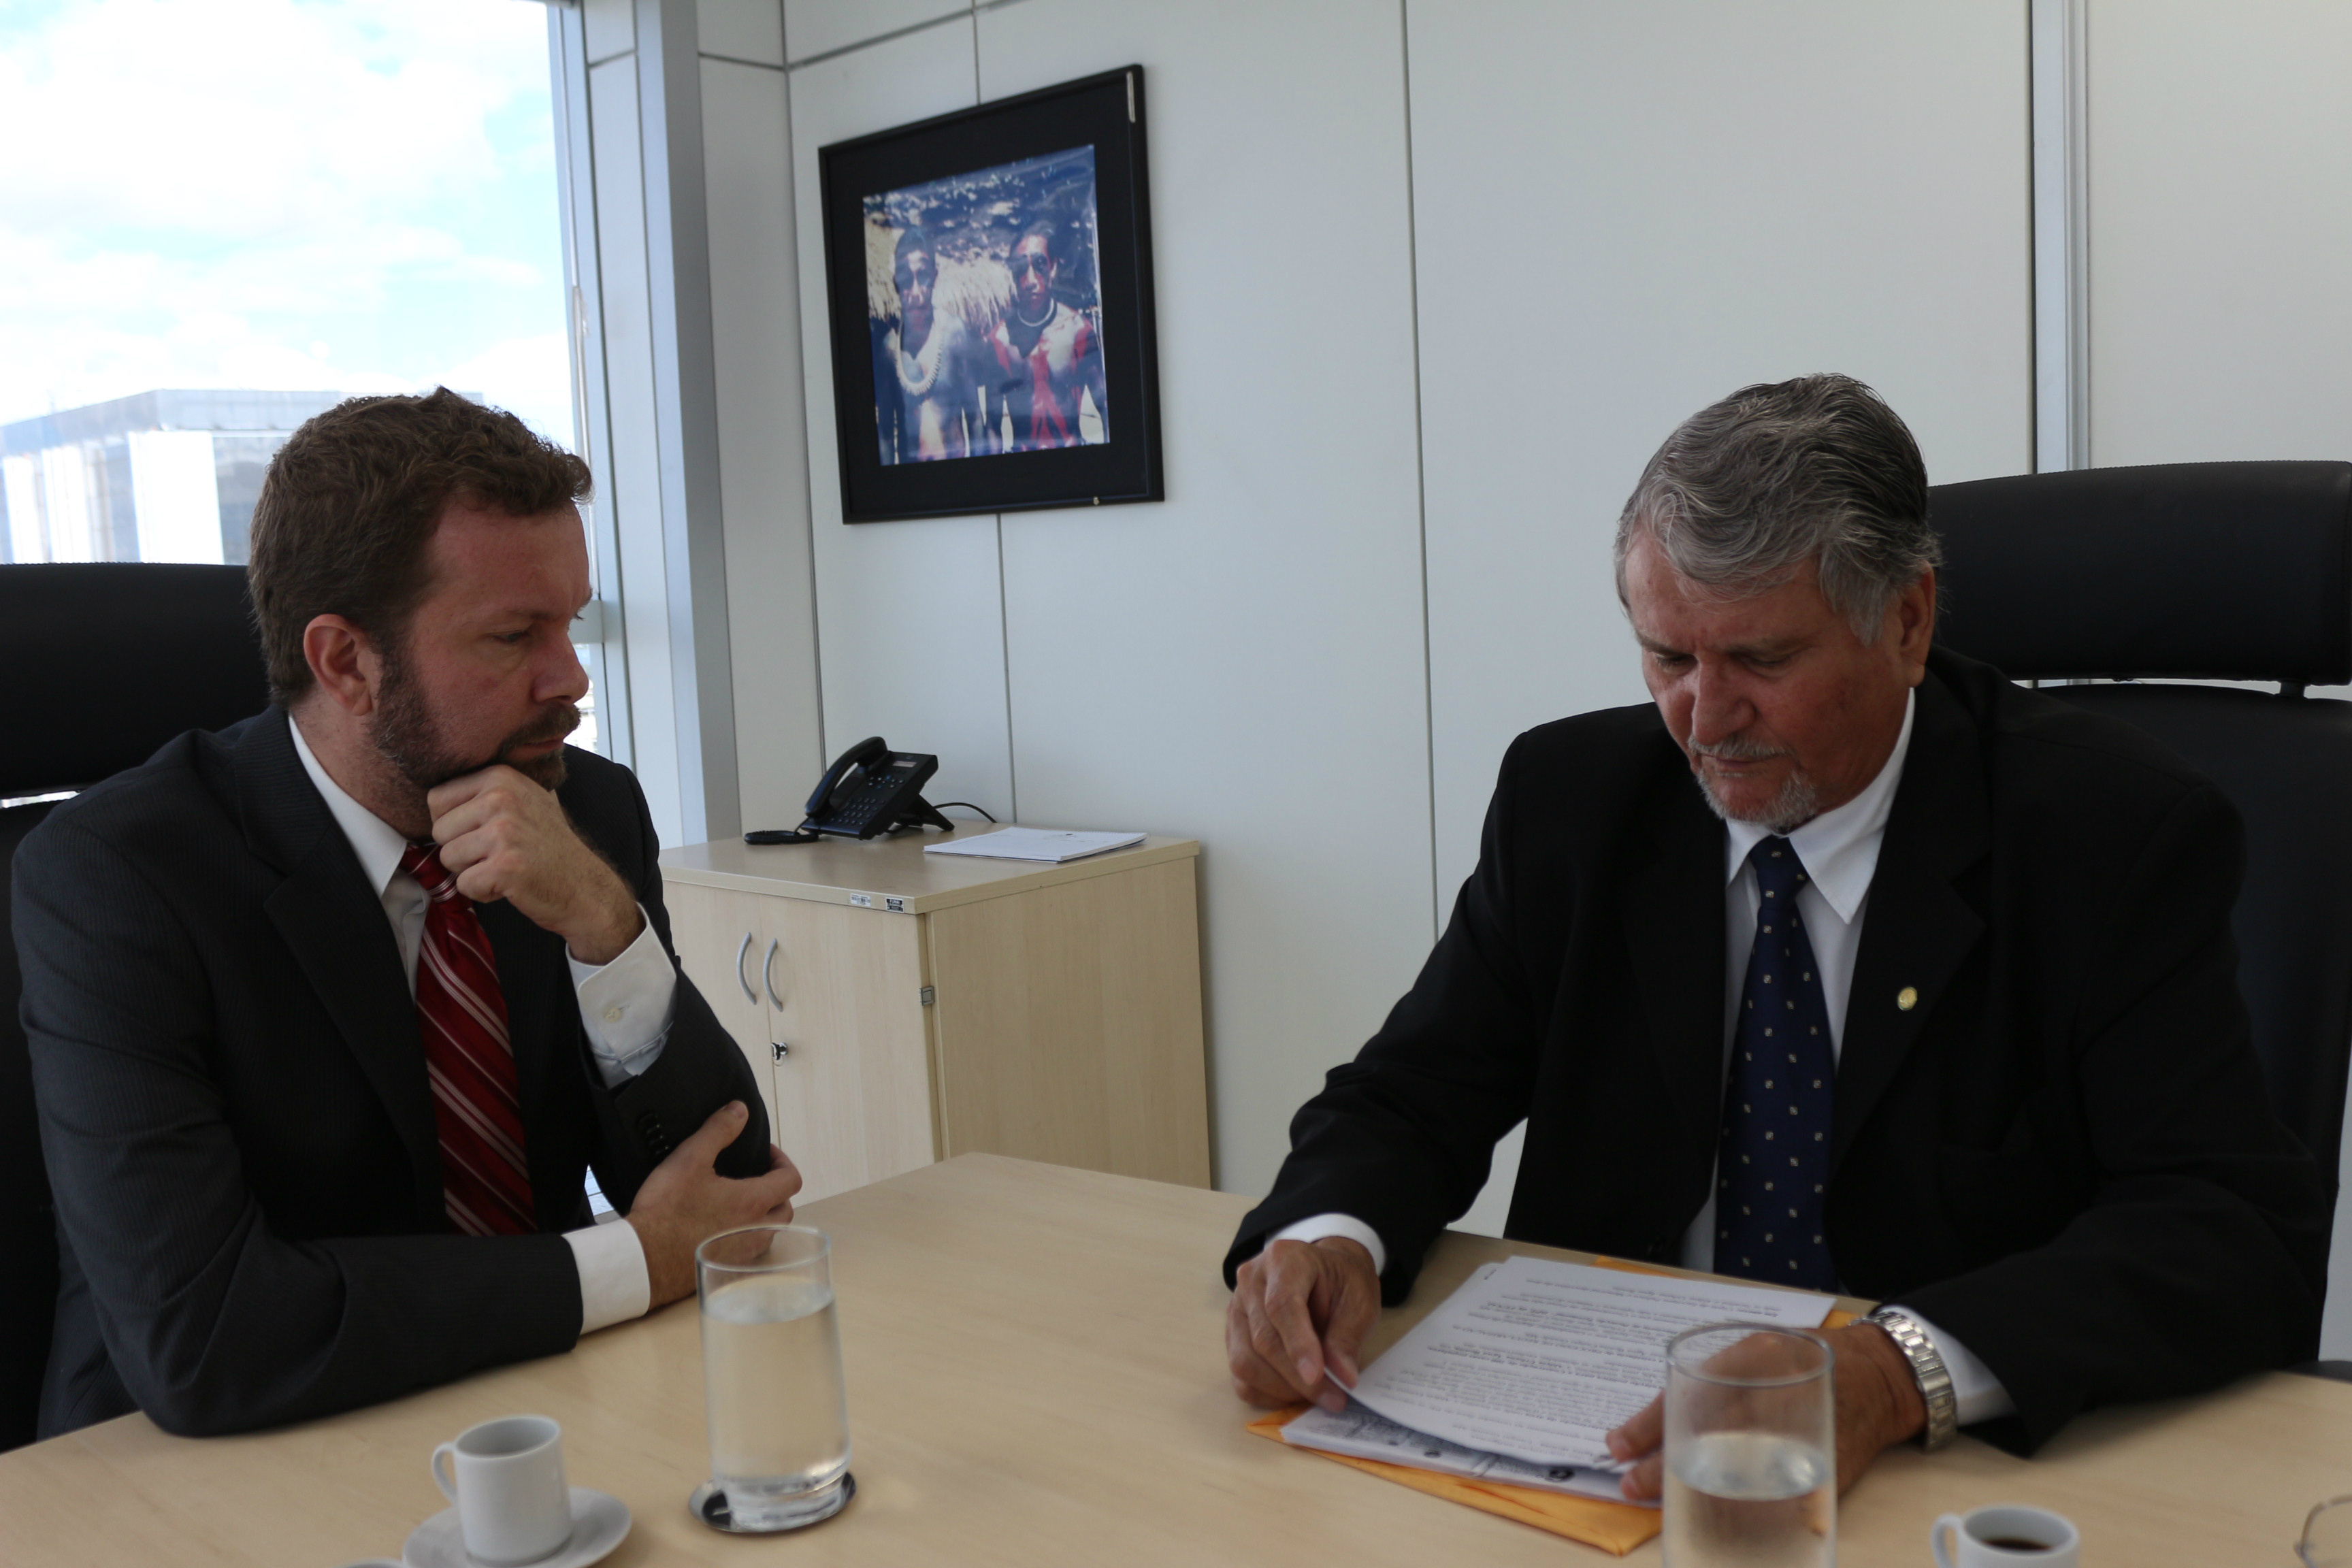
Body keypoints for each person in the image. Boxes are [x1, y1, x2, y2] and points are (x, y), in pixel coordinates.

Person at [1222, 374, 2328, 1494]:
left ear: (1905, 622)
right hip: (1596, 1452)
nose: (1701, 720)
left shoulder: (2107, 833)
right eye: (1666, 656)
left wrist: (1893, 1370)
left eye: (1759, 660)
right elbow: (1415, 1092)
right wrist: (1330, 1237)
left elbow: (2228, 1228)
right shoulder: (1573, 798)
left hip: (1946, 1478)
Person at [16, 389, 802, 1439]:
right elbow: (205, 1340)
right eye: (513, 635)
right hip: (213, 1467)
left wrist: (606, 928)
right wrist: (629, 1261)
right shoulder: (117, 879)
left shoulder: (580, 810)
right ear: (345, 662)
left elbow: (734, 1199)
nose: (570, 678)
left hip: (543, 1403)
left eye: (570, 623)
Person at [979, 218, 1109, 451]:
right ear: (1012, 273)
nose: (1030, 281)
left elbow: (1105, 406)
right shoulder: (999, 341)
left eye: (1039, 266)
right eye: (1021, 269)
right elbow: (992, 426)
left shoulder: (1078, 330)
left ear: (1053, 268)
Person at [875, 227, 985, 463]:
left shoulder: (954, 334)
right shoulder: (889, 348)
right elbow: (885, 433)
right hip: (912, 486)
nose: (915, 291)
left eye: (922, 276)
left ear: (934, 277)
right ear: (896, 283)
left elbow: (975, 418)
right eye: (906, 278)